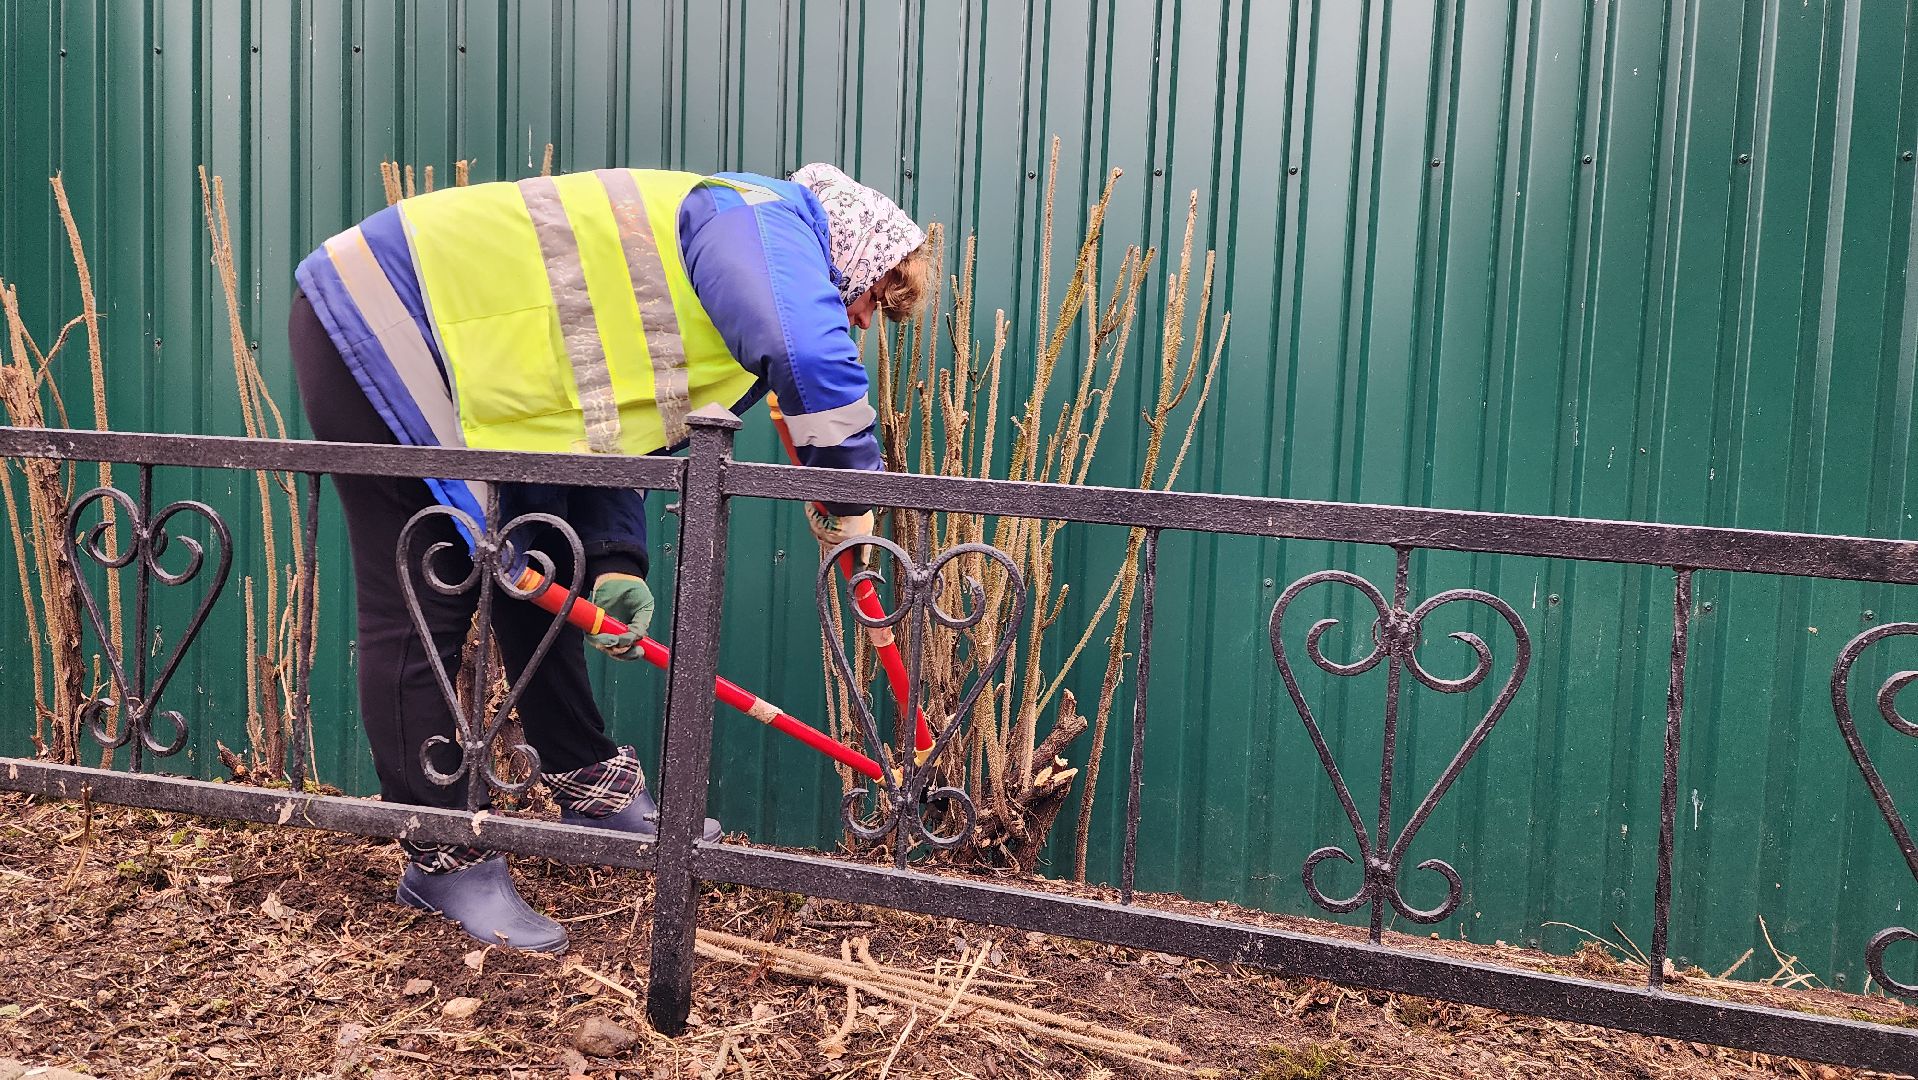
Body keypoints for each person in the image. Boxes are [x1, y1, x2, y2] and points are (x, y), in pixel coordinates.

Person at [287, 163, 929, 953]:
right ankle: (440, 849)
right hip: (382, 318)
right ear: (845, 257)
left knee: (540, 568)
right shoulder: (758, 221)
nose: (863, 323)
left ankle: (583, 780)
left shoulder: (734, 274)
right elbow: (810, 355)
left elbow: (619, 419)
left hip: (498, 378)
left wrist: (615, 560)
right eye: (867, 300)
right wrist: (851, 498)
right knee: (426, 593)